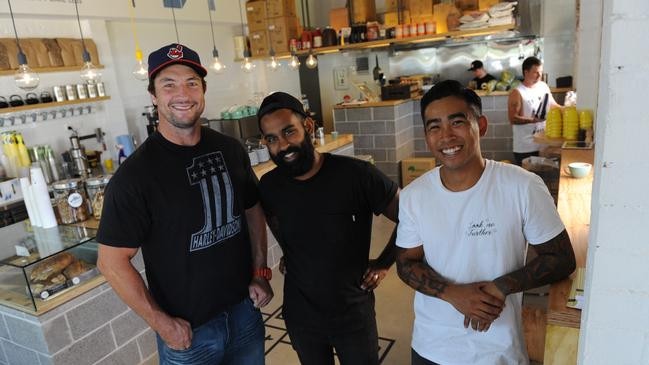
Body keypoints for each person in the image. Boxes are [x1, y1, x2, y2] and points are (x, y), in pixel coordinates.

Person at [96, 43, 273, 365]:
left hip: (244, 312)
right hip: (189, 333)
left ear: (203, 90)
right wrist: (160, 322)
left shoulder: (230, 150)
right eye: (169, 84)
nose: (183, 93)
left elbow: (252, 209)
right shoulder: (135, 176)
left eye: (192, 82)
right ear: (153, 96)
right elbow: (111, 262)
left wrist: (260, 270)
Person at [396, 80, 576, 365]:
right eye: (434, 127)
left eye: (457, 122)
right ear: (427, 137)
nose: (446, 136)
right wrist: (454, 294)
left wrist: (499, 286)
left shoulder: (522, 186)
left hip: (497, 350)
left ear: (480, 125)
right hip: (430, 349)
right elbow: (406, 264)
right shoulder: (413, 196)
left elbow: (563, 259)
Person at [256, 91, 400, 365]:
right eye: (272, 139)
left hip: (352, 312)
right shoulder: (270, 185)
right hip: (301, 314)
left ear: (308, 126)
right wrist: (291, 250)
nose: (283, 146)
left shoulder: (357, 175)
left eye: (289, 132)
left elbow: (411, 218)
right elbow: (274, 220)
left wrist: (384, 262)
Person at [507, 56, 561, 165]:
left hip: (544, 144)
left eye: (541, 72)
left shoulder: (543, 86)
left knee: (544, 178)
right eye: (536, 72)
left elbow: (553, 105)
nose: (539, 75)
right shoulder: (517, 92)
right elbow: (513, 119)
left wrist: (568, 108)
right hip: (526, 147)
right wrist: (534, 120)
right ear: (526, 72)